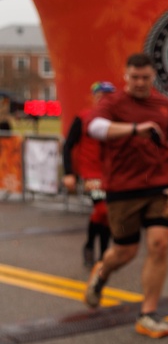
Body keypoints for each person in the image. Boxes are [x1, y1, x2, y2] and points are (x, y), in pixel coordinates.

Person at [84, 52, 168, 339]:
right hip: (123, 187)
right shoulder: (113, 103)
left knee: (160, 244)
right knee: (125, 252)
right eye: (135, 77)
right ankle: (102, 272)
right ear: (125, 76)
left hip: (159, 184)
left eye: (145, 78)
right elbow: (94, 128)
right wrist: (134, 130)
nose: (139, 83)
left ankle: (148, 314)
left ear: (153, 77)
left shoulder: (162, 104)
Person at [62, 81, 116, 267]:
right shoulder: (84, 117)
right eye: (101, 96)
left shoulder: (118, 121)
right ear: (94, 98)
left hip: (111, 174)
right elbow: (68, 145)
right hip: (91, 173)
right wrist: (69, 173)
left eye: (108, 97)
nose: (104, 100)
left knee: (107, 214)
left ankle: (101, 252)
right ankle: (93, 246)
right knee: (103, 209)